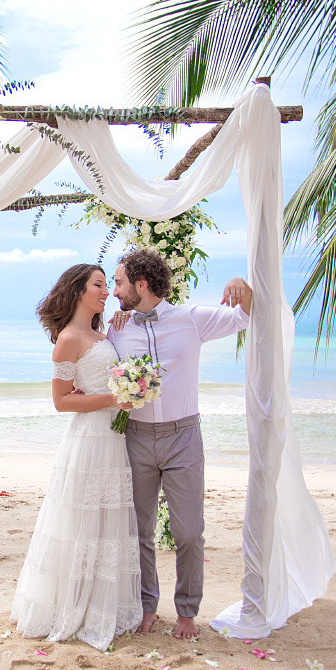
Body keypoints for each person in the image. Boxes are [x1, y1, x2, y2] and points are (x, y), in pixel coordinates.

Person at [108, 248, 252, 640]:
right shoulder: (117, 328)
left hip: (183, 438)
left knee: (189, 532)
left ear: (141, 284)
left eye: (118, 283)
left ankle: (187, 610)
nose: (114, 291)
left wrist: (243, 286)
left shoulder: (192, 319)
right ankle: (147, 605)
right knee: (140, 529)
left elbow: (244, 316)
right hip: (135, 438)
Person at [11, 263, 142, 650]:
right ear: (78, 291)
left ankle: (105, 605)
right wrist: (113, 399)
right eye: (99, 285)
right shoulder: (68, 338)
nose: (106, 292)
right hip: (89, 442)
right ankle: (73, 607)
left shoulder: (101, 333)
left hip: (113, 439)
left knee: (105, 523)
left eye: (107, 285)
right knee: (82, 524)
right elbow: (60, 401)